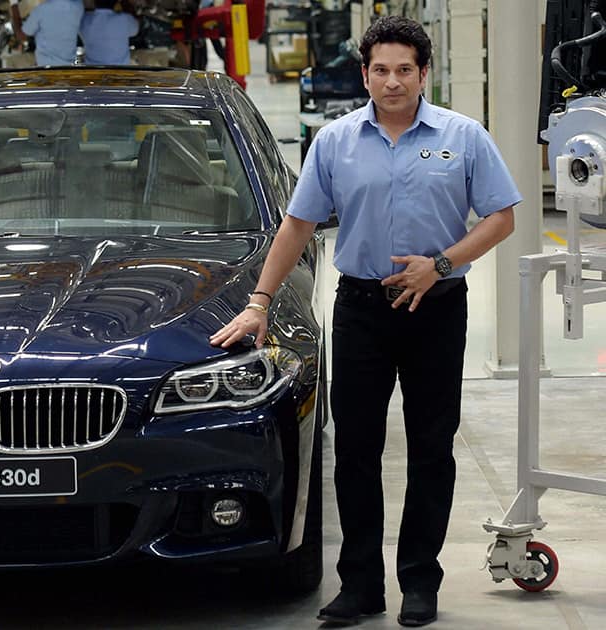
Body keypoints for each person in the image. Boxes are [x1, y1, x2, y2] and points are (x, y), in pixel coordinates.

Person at [209, 15, 519, 628]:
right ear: (365, 74)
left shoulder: (464, 136)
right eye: (381, 70)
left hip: (435, 307)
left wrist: (441, 264)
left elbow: (501, 217)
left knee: (432, 447)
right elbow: (297, 225)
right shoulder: (335, 141)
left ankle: (419, 582)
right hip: (361, 310)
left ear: (424, 73)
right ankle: (360, 585)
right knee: (354, 450)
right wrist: (259, 302)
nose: (393, 81)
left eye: (405, 69)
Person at [9, 0, 84, 67]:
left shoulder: (41, 10)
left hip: (45, 68)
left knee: (10, 61)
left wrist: (13, 4)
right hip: (68, 67)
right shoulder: (78, 7)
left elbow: (21, 35)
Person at [79, 0, 139, 66]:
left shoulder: (85, 20)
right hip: (120, 71)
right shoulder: (125, 19)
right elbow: (135, 30)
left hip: (93, 72)